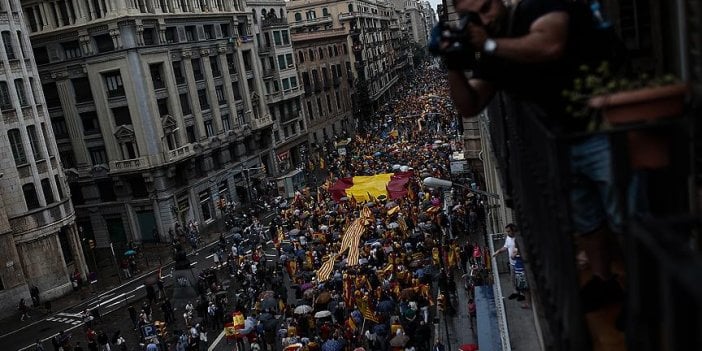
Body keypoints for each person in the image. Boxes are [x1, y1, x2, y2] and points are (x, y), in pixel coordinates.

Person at [443, 0, 625, 313]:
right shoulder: (493, 50)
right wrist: (453, 66)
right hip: (561, 139)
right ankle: (604, 279)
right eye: (472, 16)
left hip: (604, 126)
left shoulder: (536, 8)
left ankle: (647, 297)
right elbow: (470, 104)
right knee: (587, 219)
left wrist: (486, 42)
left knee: (624, 216)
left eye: (486, 7)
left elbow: (549, 45)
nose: (483, 17)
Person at [492, 224, 522, 300]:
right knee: (513, 278)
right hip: (512, 263)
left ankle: (522, 294)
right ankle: (515, 292)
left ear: (513, 230)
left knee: (520, 279)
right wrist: (498, 251)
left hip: (519, 263)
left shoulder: (518, 238)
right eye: (507, 231)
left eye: (509, 231)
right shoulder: (508, 238)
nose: (507, 233)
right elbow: (505, 247)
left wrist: (516, 254)